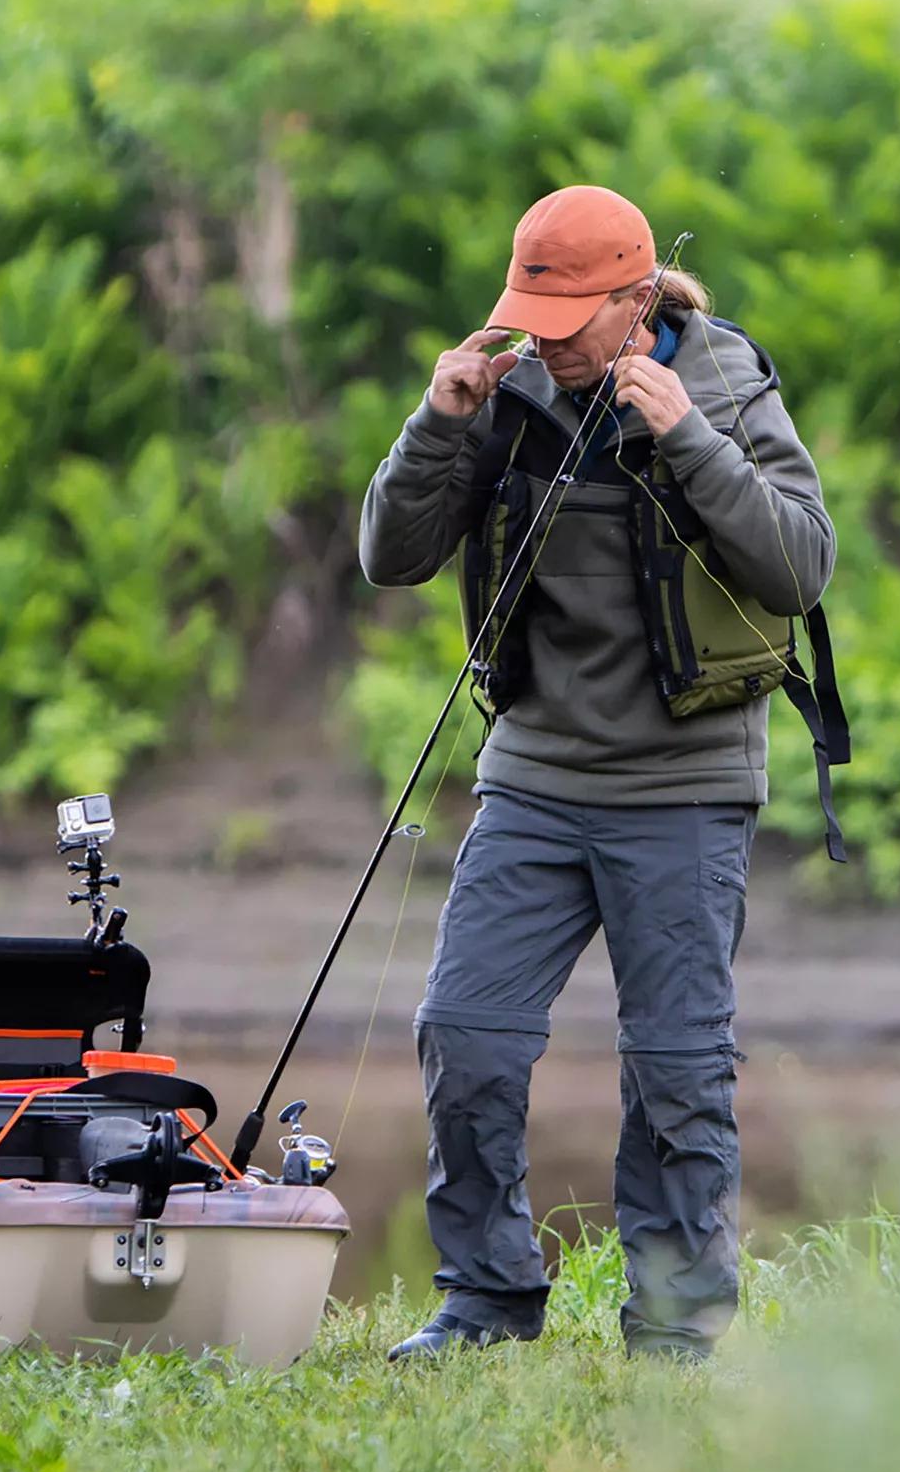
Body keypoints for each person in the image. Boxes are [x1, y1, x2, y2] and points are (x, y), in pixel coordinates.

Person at [359, 184, 840, 1365]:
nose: (551, 336)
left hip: (683, 781)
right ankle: (484, 1295)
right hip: (533, 771)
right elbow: (389, 555)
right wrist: (437, 422)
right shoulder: (509, 389)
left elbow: (800, 569)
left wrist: (689, 436)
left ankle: (673, 1321)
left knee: (674, 1067)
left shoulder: (723, 387)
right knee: (463, 1031)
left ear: (636, 301)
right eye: (533, 310)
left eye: (573, 314)